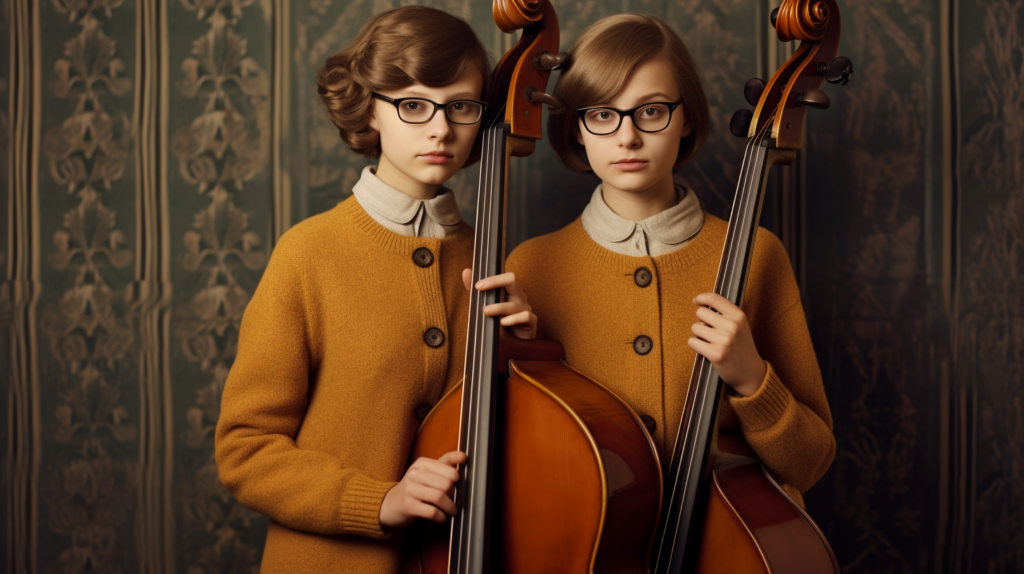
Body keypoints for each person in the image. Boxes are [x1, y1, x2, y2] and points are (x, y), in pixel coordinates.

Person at [215, 7, 535, 573]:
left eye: (461, 105)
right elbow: (245, 449)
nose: (441, 128)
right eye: (413, 105)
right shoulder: (308, 253)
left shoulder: (493, 262)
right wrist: (378, 500)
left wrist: (531, 353)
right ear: (370, 111)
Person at [506, 13, 835, 506]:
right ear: (576, 128)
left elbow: (810, 462)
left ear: (685, 118)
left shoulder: (757, 254)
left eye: (651, 111)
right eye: (601, 114)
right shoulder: (531, 266)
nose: (627, 137)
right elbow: (515, 464)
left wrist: (752, 379)